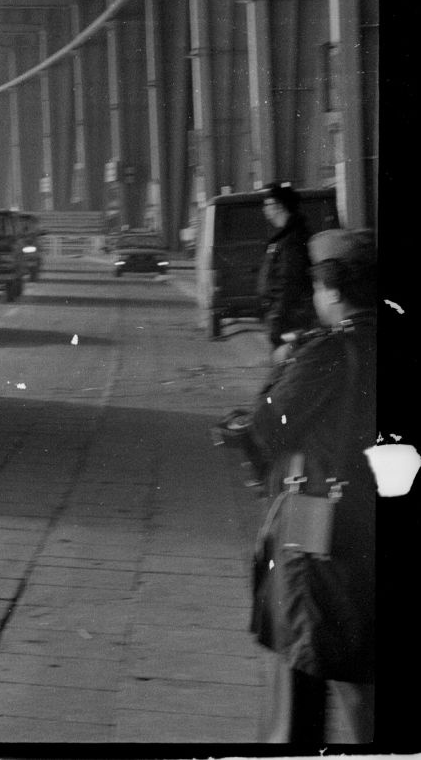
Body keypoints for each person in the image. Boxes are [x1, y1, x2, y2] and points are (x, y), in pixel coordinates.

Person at [218, 227, 377, 744]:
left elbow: (269, 425)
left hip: (320, 516)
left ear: (330, 291)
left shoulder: (329, 351)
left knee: (310, 645)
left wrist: (281, 369)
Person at [258, 181, 317, 350]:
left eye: (267, 204)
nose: (264, 209)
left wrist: (276, 320)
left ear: (279, 205)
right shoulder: (284, 237)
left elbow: (288, 283)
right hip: (285, 316)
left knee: (287, 366)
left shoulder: (291, 240)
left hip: (289, 319)